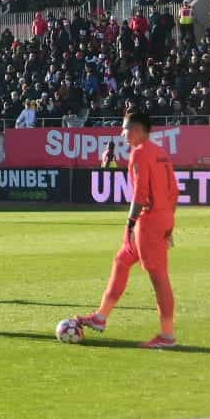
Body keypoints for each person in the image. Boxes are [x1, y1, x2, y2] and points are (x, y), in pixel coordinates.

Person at [71, 109, 179, 348]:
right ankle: (100, 317)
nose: (122, 133)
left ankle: (167, 336)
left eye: (125, 128)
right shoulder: (161, 152)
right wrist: (169, 224)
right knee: (122, 260)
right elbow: (174, 190)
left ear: (139, 130)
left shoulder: (139, 153)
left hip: (147, 221)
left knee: (158, 277)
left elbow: (140, 192)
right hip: (163, 217)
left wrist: (130, 223)